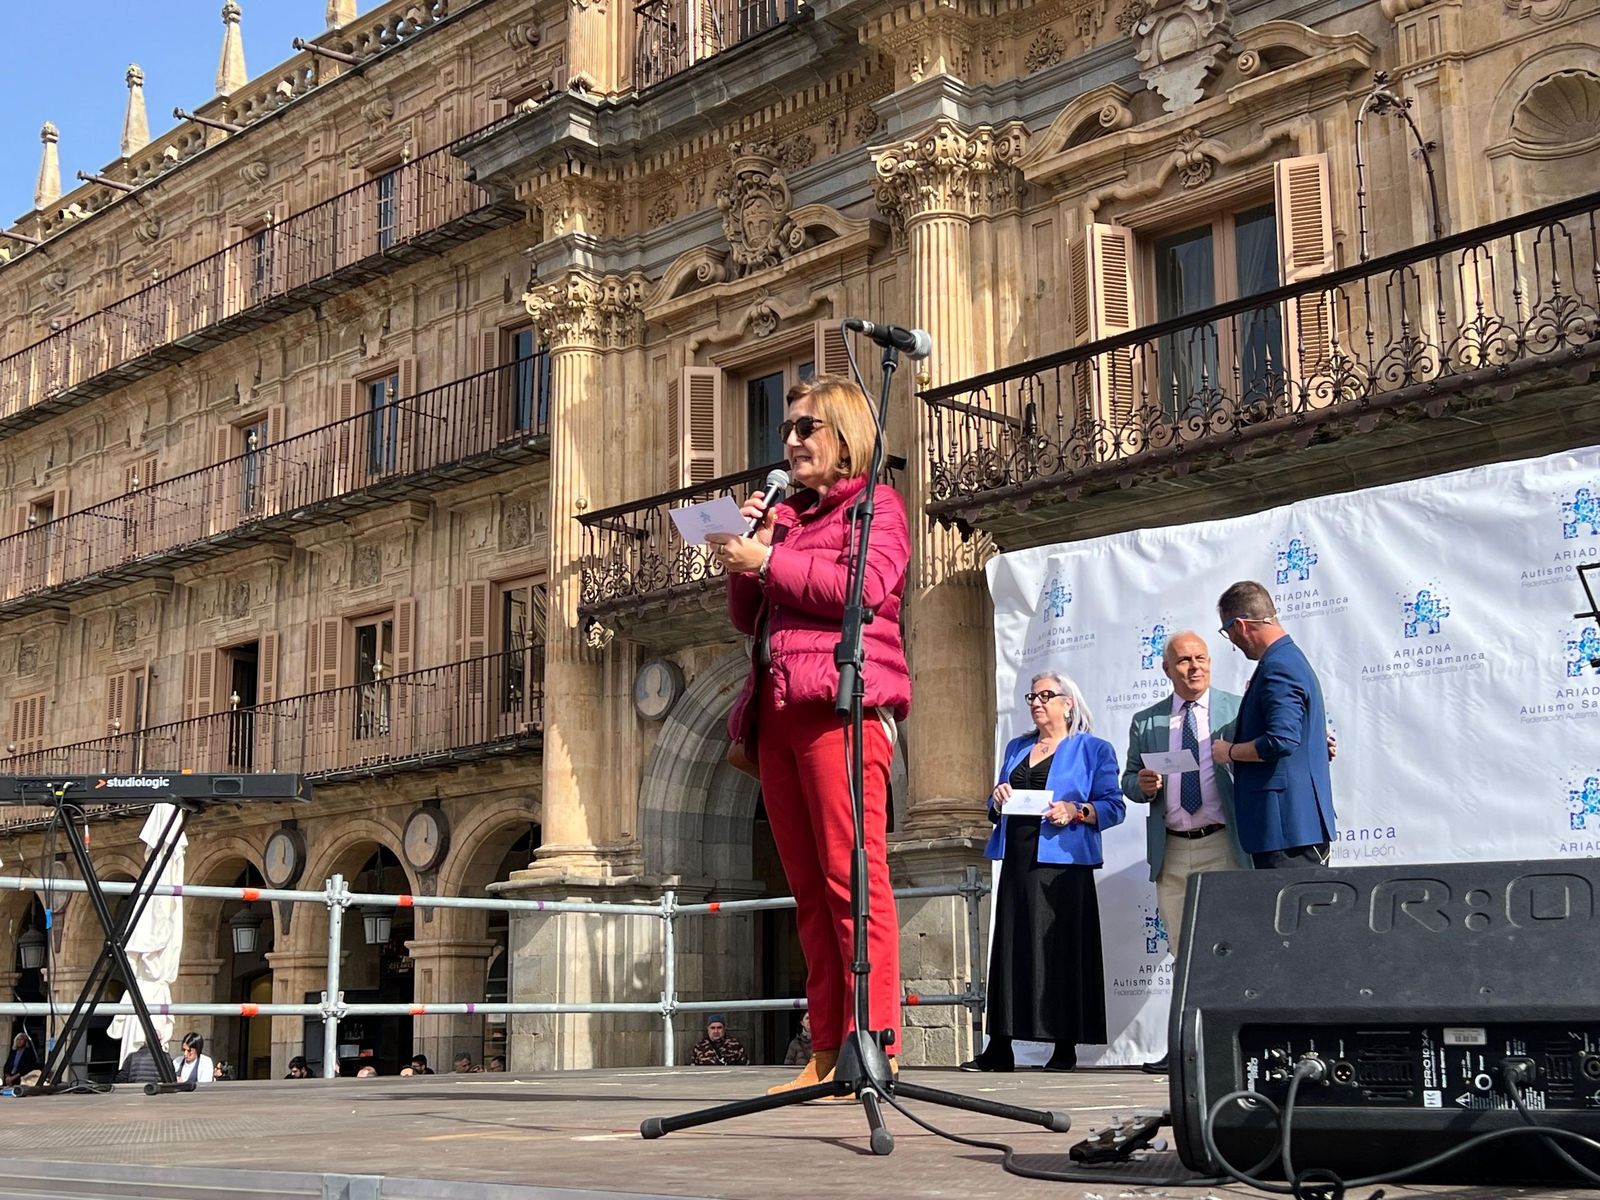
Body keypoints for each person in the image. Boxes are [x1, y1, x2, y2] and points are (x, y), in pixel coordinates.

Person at [708, 375, 911, 1096]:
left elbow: (865, 588)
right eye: (787, 429)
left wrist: (769, 560)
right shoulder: (786, 517)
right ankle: (825, 1048)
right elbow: (744, 615)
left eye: (806, 428)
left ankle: (874, 1040)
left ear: (847, 435)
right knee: (806, 891)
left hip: (841, 711)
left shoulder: (877, 507)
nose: (790, 441)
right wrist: (749, 544)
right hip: (778, 715)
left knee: (852, 879)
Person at [963, 671, 1126, 1073]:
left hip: (1064, 866)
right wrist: (997, 798)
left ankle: (1063, 1046)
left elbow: (1114, 806)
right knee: (1013, 949)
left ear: (1068, 703)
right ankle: (1000, 1047)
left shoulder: (1093, 749)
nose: (1036, 703)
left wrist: (1077, 810)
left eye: (1045, 696)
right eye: (1031, 697)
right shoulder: (1017, 747)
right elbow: (996, 802)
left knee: (1061, 951)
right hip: (1018, 862)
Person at [1121, 632, 1250, 1074]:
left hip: (1225, 843)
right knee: (1183, 952)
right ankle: (1185, 1047)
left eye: (1199, 658)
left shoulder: (1236, 708)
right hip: (1172, 850)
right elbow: (1128, 781)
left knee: (1232, 947)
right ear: (1167, 669)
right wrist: (1140, 786)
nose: (1192, 667)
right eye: (1182, 661)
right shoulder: (1147, 721)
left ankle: (1235, 1044)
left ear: (1211, 662)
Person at [1211, 581, 1337, 868]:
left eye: (1227, 631)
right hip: (1291, 830)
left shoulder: (1279, 666)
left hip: (1286, 832)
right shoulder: (1288, 659)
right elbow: (1295, 735)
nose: (1231, 641)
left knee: (1290, 913)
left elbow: (1281, 740)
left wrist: (1229, 752)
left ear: (1240, 625)